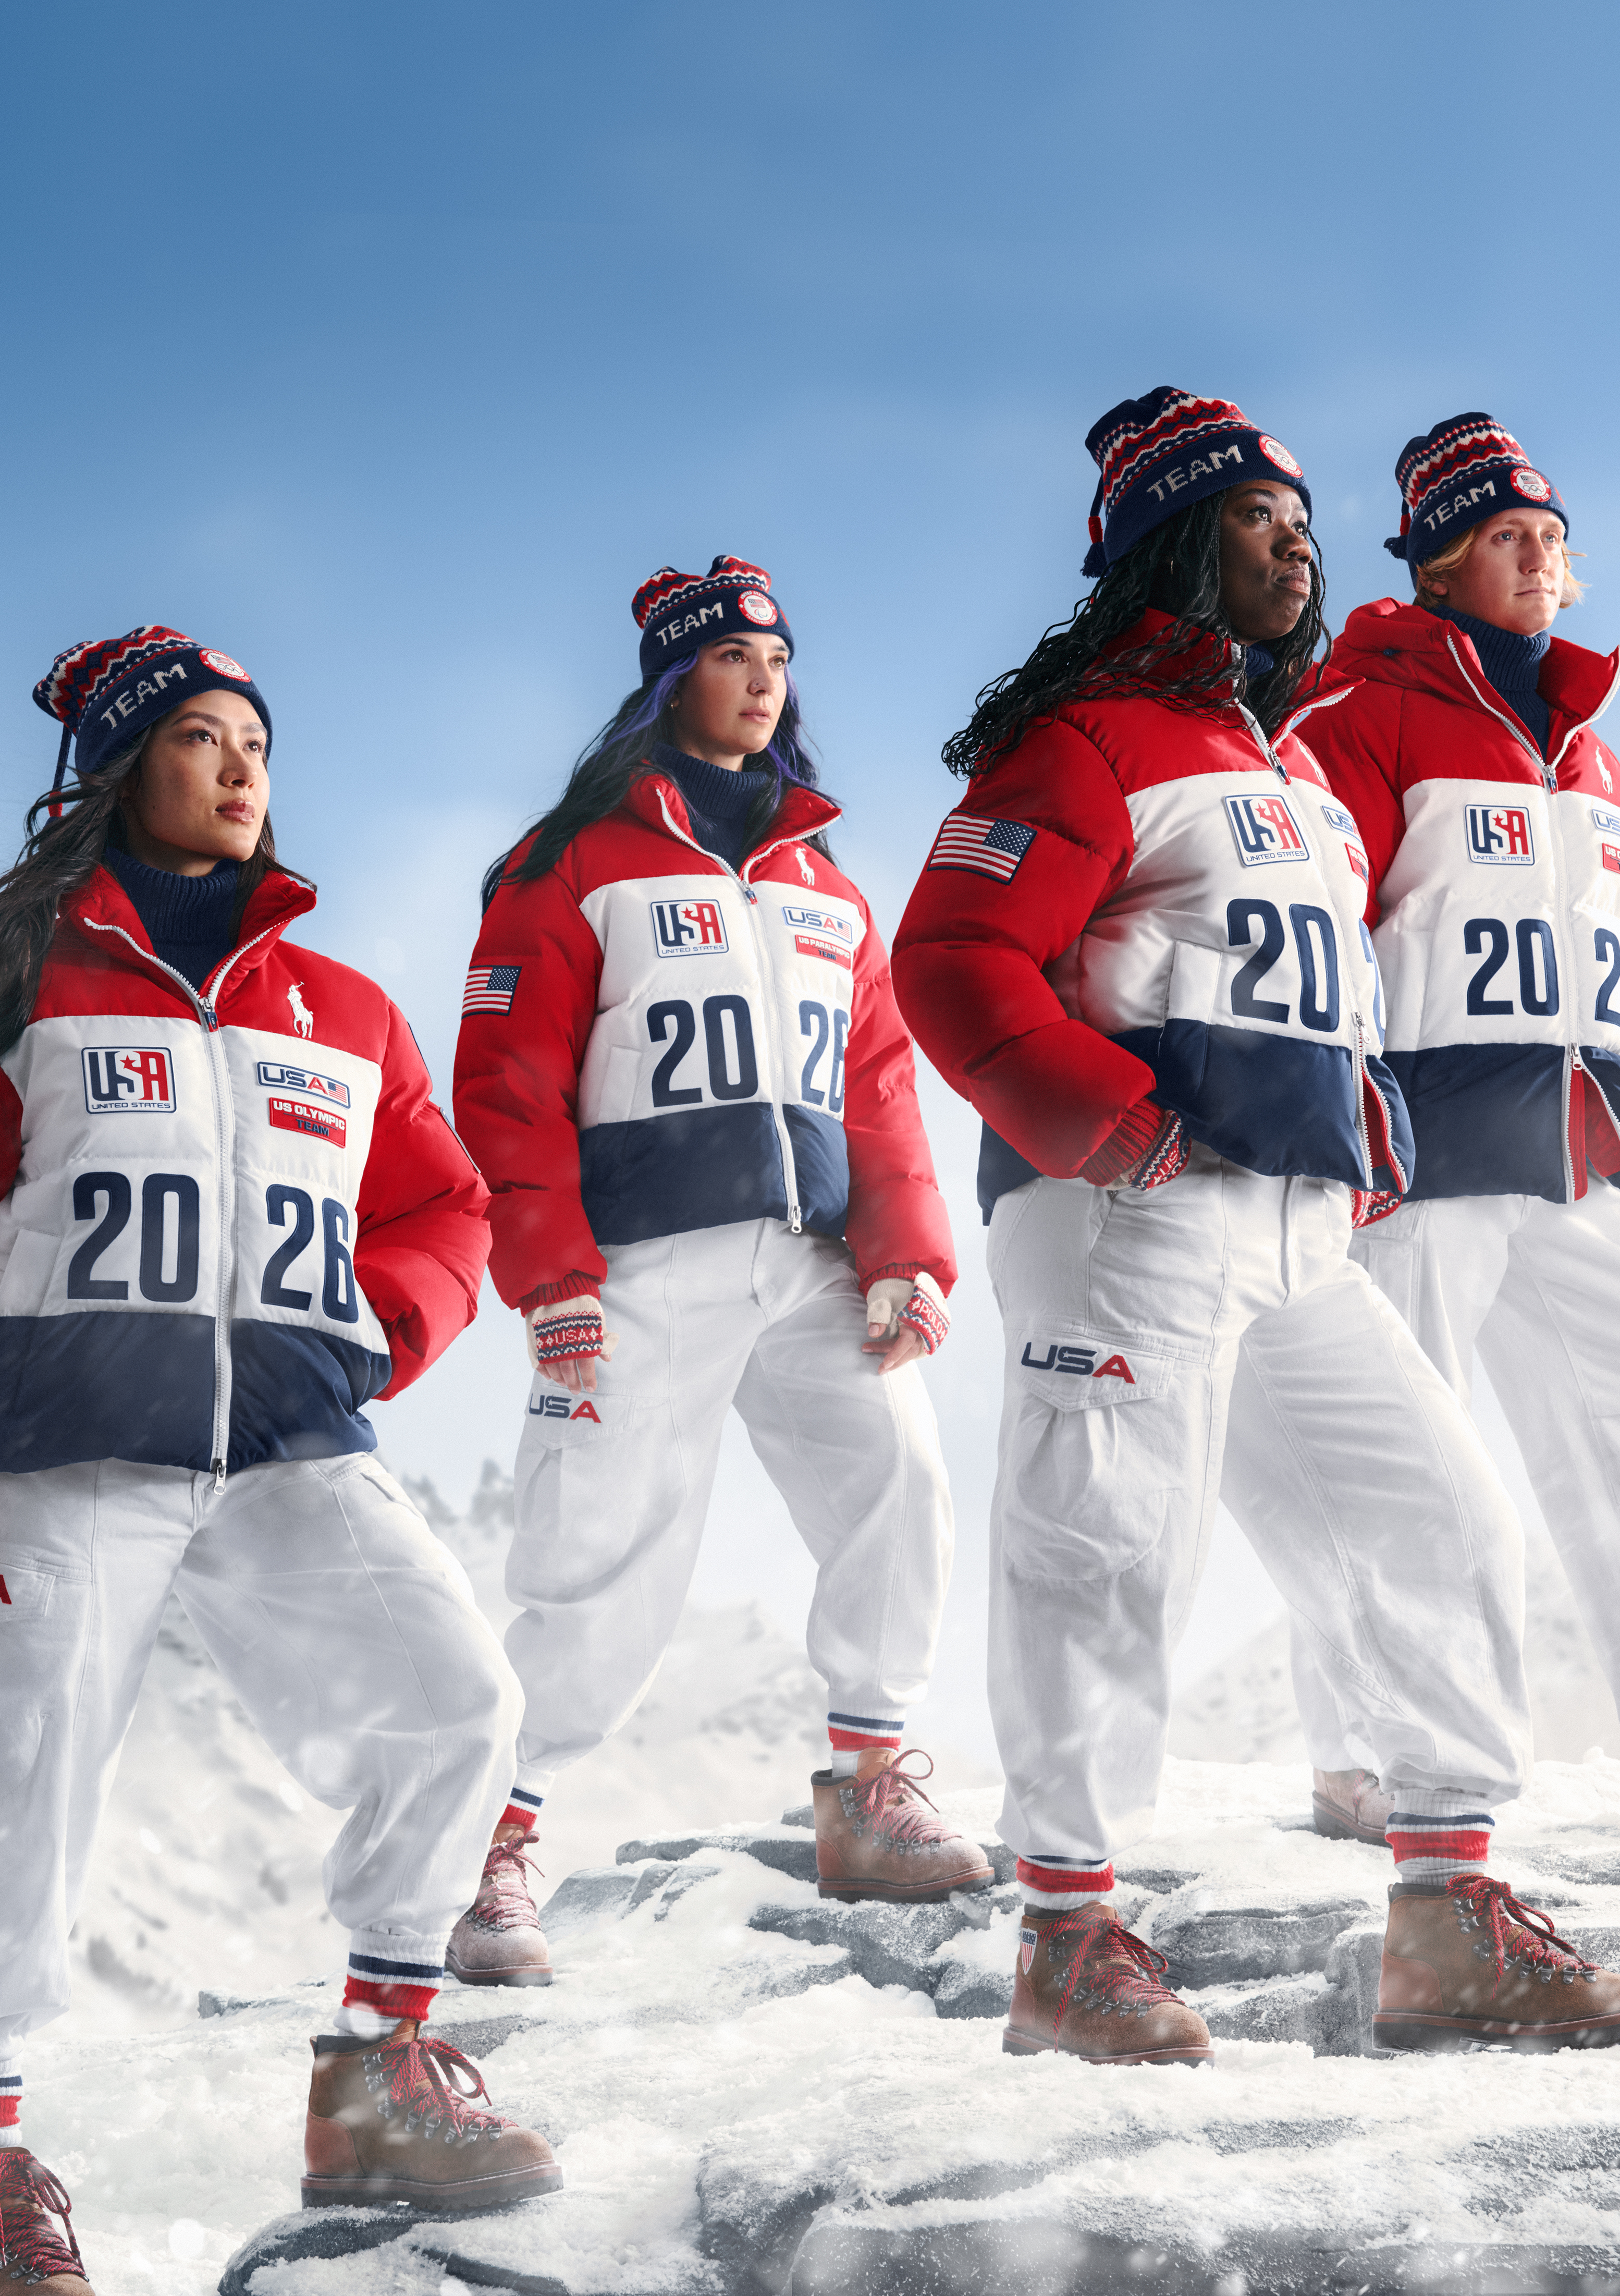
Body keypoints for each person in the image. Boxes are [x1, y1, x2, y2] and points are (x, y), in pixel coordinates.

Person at [891, 392, 1620, 2063]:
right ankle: (1069, 1934)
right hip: (1131, 1215)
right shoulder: (1086, 739)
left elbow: (1326, 998)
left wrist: (1364, 1128)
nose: (1291, 536)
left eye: (1299, 513)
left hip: (1300, 1232)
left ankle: (1447, 1912)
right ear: (1167, 544)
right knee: (1107, 1554)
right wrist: (1112, 1123)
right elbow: (949, 959)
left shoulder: (1291, 763)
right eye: (1247, 512)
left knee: (1449, 1519)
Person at [0, 628, 558, 2296]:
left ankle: (377, 2073)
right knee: (8, 1797)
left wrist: (374, 1333)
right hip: (63, 1454)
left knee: (457, 1701)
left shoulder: (345, 1010)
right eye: (199, 739)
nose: (237, 770)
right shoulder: (1, 995)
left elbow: (444, 1206)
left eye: (255, 745)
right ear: (115, 773)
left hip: (290, 1444)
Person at [1277, 414, 1620, 1840]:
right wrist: (1334, 1110)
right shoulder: (1358, 721)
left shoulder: (1594, 758)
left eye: (1550, 540)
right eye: (1504, 541)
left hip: (1578, 1159)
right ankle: (1364, 1757)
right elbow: (1305, 934)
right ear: (1444, 564)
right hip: (1422, 1162)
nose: (1536, 561)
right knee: (1402, 1456)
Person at [446, 556, 984, 1990]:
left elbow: (878, 1088)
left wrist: (907, 1254)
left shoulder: (821, 884)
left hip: (811, 1261)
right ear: (671, 675)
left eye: (778, 654)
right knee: (597, 1563)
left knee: (900, 1477)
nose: (763, 676)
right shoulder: (572, 862)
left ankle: (870, 1789)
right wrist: (550, 1269)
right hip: (637, 1266)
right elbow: (505, 1084)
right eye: (733, 652)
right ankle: (483, 1854)